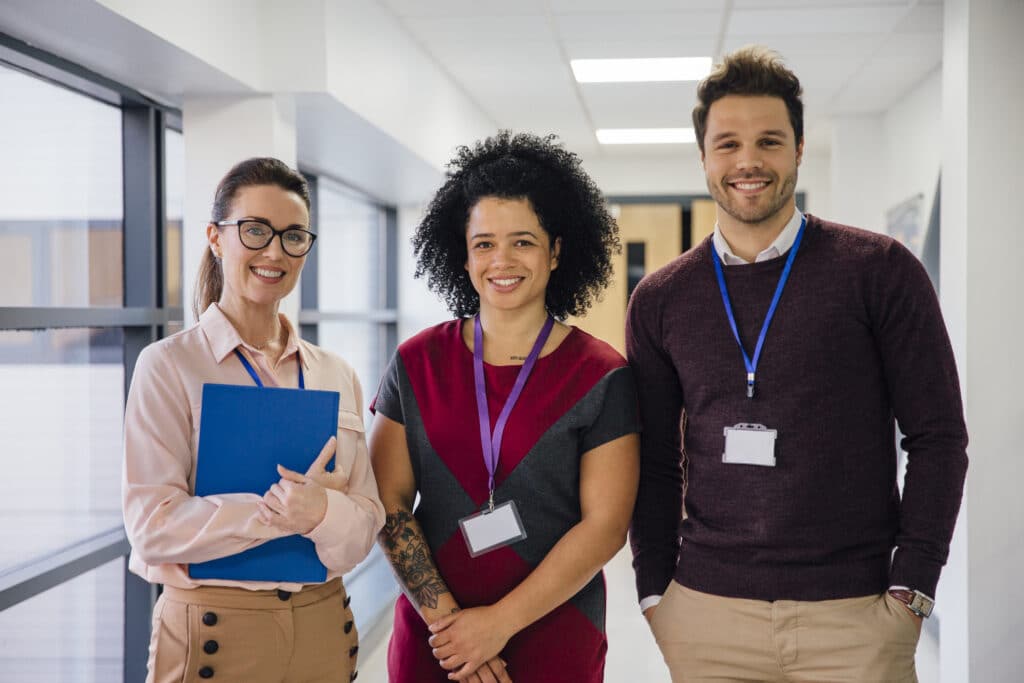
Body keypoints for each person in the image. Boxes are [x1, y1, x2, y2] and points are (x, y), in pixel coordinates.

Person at [627, 46, 968, 682]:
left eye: (769, 141)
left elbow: (939, 439)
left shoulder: (880, 271)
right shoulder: (661, 298)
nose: (748, 161)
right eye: (727, 143)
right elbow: (652, 461)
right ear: (703, 156)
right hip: (708, 617)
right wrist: (655, 593)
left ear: (799, 149)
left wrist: (913, 589)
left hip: (855, 618)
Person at [369, 131, 640, 683]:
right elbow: (387, 501)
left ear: (556, 250)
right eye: (485, 243)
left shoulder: (602, 374)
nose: (502, 260)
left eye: (523, 241)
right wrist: (451, 628)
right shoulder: (415, 362)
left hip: (555, 632)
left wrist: (496, 625)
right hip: (434, 639)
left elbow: (606, 525)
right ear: (463, 253)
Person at [123, 157, 385, 683]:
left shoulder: (335, 373)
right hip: (214, 634)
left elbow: (365, 526)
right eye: (255, 231)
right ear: (216, 239)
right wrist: (281, 513)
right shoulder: (170, 365)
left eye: (293, 236)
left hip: (323, 625)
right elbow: (151, 528)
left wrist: (323, 513)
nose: (274, 252)